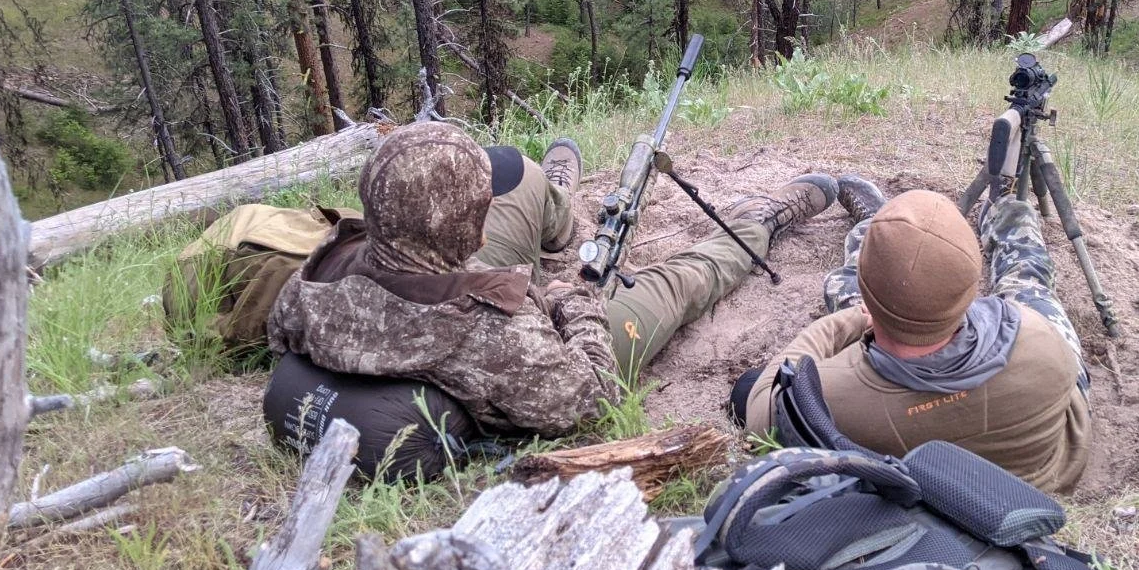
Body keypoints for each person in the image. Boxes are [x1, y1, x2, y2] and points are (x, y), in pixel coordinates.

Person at [267, 120, 838, 437]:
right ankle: (756, 223)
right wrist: (578, 305)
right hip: (527, 336)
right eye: (481, 199)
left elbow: (282, 328)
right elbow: (589, 400)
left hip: (413, 275)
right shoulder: (489, 332)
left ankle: (556, 191)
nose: (488, 201)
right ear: (467, 224)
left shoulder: (322, 268)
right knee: (678, 282)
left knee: (526, 175)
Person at [739, 177, 1091, 492]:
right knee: (1028, 278)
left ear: (869, 297)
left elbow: (760, 409)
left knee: (839, 286)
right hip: (1048, 468)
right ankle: (1009, 211)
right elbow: (1071, 397)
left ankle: (870, 232)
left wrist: (854, 319)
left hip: (909, 462)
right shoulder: (1043, 341)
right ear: (972, 293)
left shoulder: (830, 395)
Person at [161, 136, 580, 355]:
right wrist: (575, 304)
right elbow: (586, 393)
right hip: (426, 273)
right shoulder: (470, 320)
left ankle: (551, 203)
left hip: (380, 260)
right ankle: (556, 206)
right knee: (518, 168)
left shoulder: (300, 301)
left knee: (492, 167)